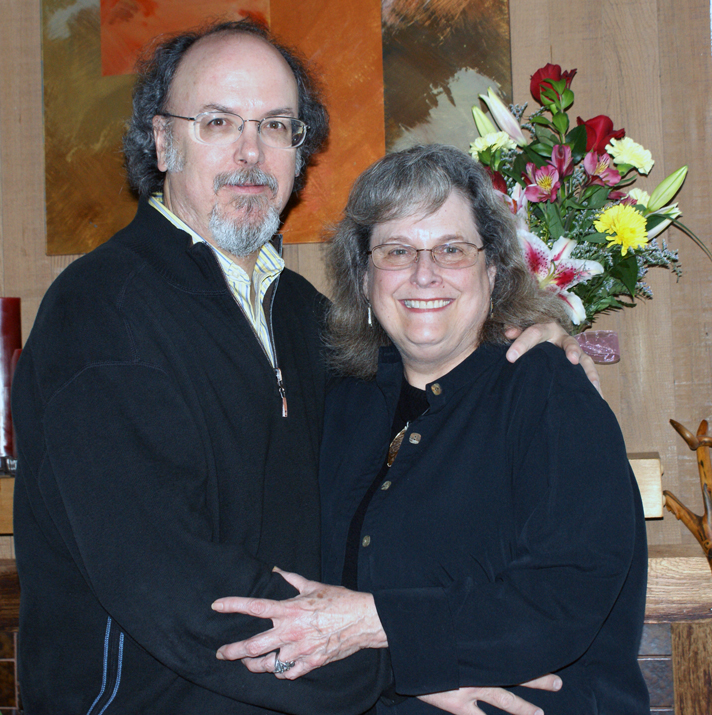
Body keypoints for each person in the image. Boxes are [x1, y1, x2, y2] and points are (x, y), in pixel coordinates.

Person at [12, 18, 592, 715]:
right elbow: (176, 586)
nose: (251, 152)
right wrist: (407, 660)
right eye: (218, 122)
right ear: (163, 142)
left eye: (276, 125)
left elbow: (432, 368)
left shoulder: (301, 313)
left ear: (299, 150)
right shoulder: (101, 312)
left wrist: (524, 339)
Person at [211, 145, 650, 714]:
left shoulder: (546, 390)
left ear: (492, 271)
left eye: (451, 249)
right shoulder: (341, 401)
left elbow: (565, 598)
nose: (424, 274)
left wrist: (379, 625)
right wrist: (402, 664)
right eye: (397, 251)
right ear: (364, 277)